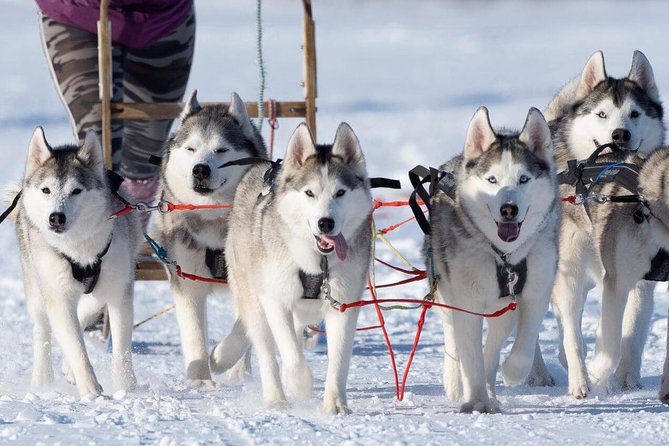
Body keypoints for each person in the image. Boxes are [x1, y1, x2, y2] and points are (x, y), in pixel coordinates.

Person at [35, 0, 196, 229]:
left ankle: (128, 243)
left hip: (162, 18)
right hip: (78, 14)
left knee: (145, 158)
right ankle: (98, 250)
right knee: (96, 144)